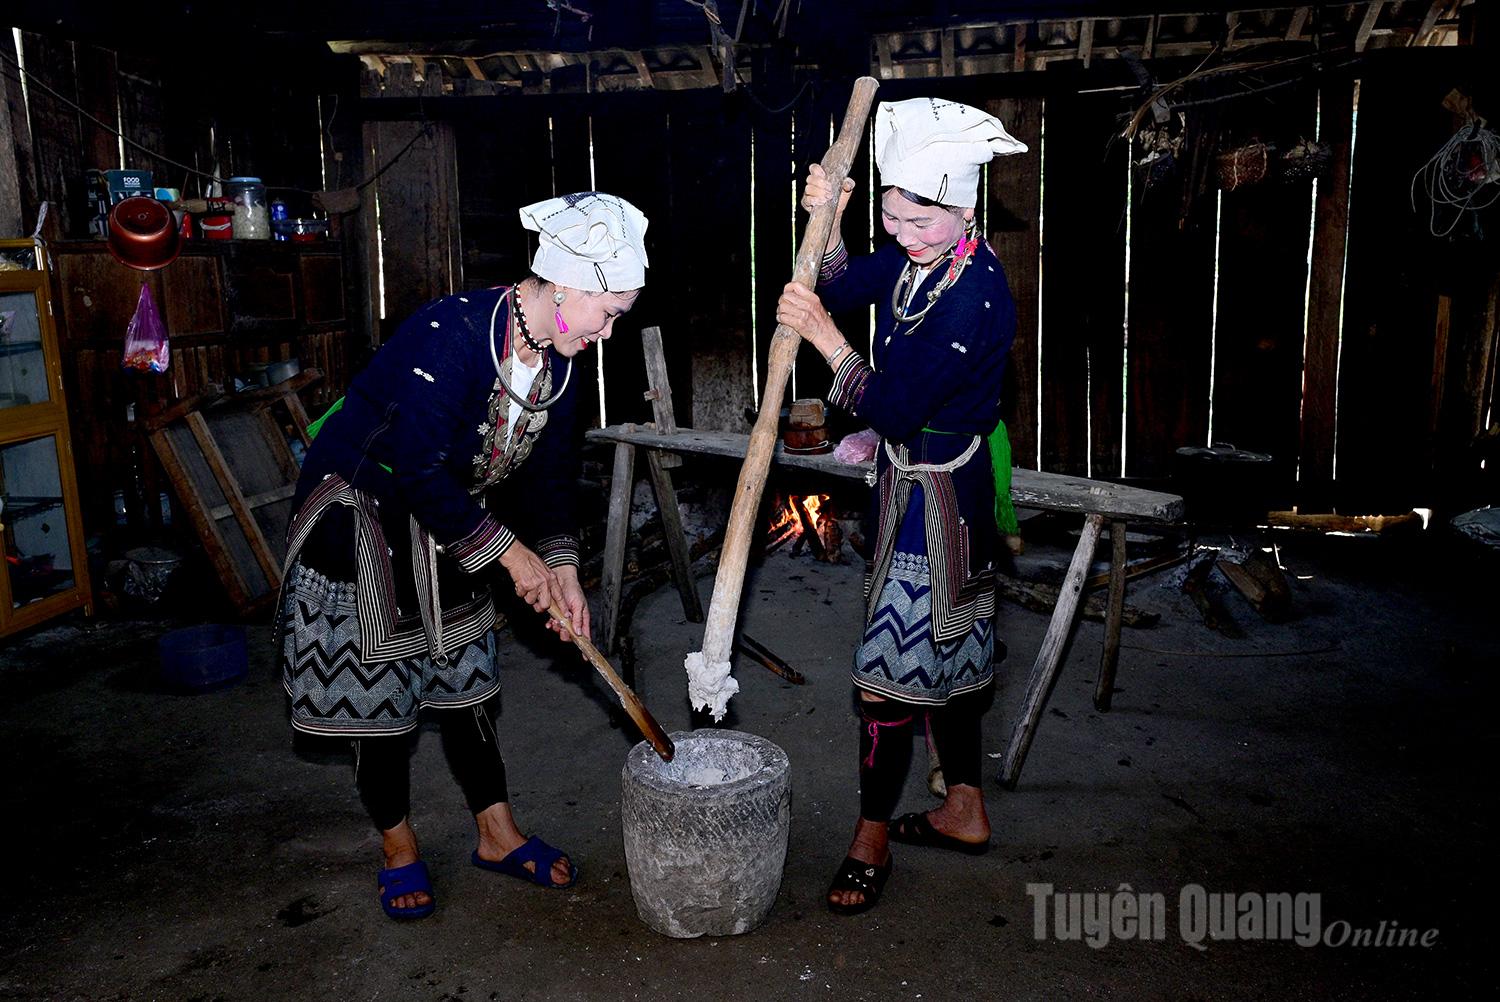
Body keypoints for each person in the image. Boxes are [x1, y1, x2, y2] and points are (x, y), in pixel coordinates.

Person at [277, 192, 649, 920]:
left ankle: (495, 833)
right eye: (608, 313)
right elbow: (416, 467)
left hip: (453, 517)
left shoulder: (561, 361)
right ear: (567, 286)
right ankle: (399, 848)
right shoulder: (452, 335)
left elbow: (548, 472)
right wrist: (511, 557)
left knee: (466, 679)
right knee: (379, 699)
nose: (608, 332)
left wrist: (563, 567)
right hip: (364, 514)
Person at [775, 98, 1027, 914]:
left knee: (887, 682)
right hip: (908, 488)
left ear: (965, 211)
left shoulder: (974, 294)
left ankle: (870, 837)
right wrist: (835, 219)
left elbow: (887, 406)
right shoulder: (923, 263)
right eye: (892, 218)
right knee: (946, 666)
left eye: (920, 221)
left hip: (946, 499)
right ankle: (964, 809)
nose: (905, 236)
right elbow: (846, 280)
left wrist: (821, 336)